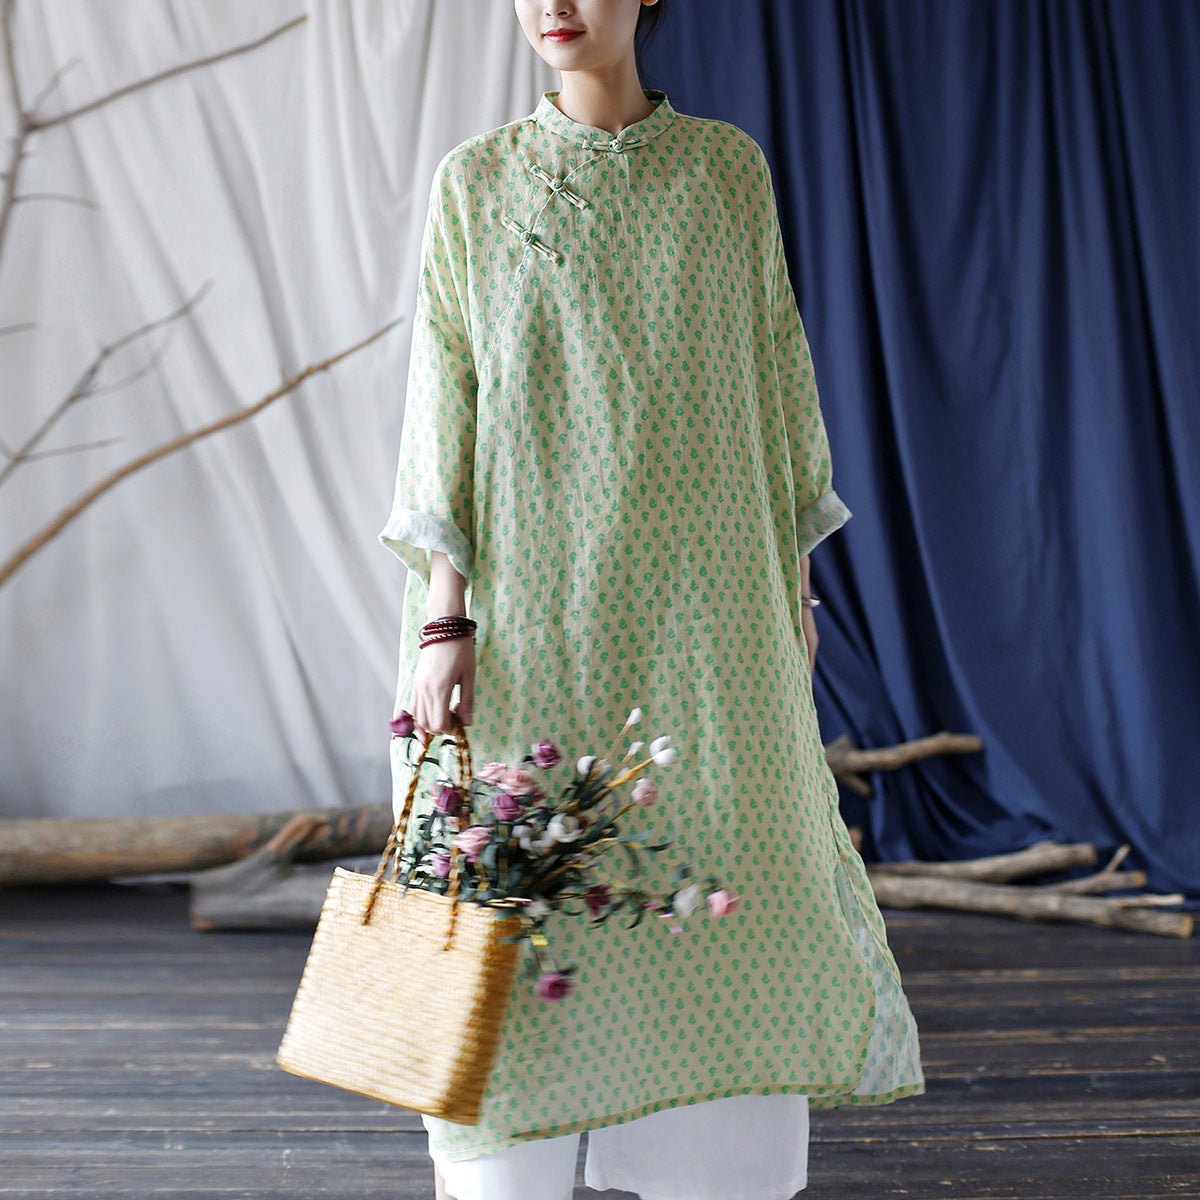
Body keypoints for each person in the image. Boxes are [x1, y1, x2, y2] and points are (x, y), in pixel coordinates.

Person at [378, 2, 926, 1198]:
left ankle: (705, 1163)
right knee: (511, 889)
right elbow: (444, 401)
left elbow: (774, 379)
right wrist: (444, 614)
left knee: (725, 868)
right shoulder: (477, 183)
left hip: (708, 619)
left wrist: (793, 587)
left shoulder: (727, 172)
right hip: (533, 616)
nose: (553, 5)